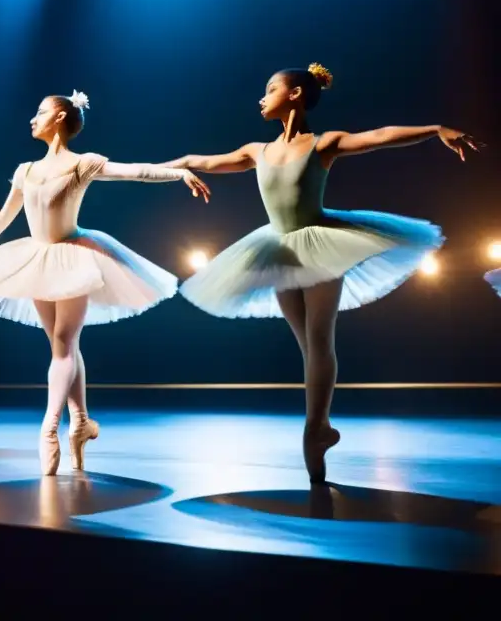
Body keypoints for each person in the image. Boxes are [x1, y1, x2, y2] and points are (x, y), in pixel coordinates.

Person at [162, 63, 480, 482]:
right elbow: (198, 159)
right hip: (276, 248)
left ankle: (315, 427)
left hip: (320, 244)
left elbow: (380, 136)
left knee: (318, 337)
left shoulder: (322, 144)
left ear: (294, 94)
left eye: (270, 88)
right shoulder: (256, 151)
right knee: (310, 346)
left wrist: (435, 128)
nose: (262, 96)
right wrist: (158, 171)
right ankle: (320, 429)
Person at [0, 91, 211, 475]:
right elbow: (3, 220)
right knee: (60, 345)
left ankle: (50, 426)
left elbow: (135, 170)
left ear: (59, 117)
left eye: (40, 112)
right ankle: (81, 421)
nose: (32, 119)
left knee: (64, 345)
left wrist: (179, 172)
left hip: (74, 257)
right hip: (36, 258)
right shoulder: (25, 170)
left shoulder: (83, 163)